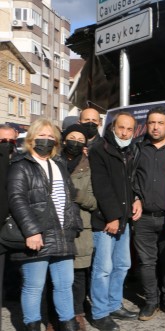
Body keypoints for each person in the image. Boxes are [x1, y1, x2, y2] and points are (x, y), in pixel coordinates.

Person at [7, 119, 83, 331]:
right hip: (37, 236)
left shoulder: (58, 164)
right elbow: (17, 199)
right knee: (34, 286)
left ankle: (68, 325)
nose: (46, 140)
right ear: (31, 138)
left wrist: (74, 224)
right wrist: (31, 231)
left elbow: (68, 197)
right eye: (42, 135)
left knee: (64, 285)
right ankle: (32, 327)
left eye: (51, 137)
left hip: (62, 235)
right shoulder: (21, 164)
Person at [131, 107, 165, 321]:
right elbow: (130, 178)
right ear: (147, 124)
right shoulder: (137, 148)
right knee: (146, 262)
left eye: (160, 123)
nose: (155, 127)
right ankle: (151, 301)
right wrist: (135, 197)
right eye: (152, 123)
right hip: (143, 218)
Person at [88, 112, 139, 331]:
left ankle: (114, 303)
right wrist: (112, 216)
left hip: (124, 219)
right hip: (107, 220)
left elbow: (128, 184)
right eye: (121, 128)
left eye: (129, 129)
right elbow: (101, 186)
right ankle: (100, 313)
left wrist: (137, 199)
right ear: (112, 128)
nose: (125, 132)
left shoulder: (129, 150)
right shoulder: (100, 149)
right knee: (103, 268)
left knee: (122, 264)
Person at [61, 124, 97, 331]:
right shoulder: (52, 162)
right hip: (54, 224)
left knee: (78, 274)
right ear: (64, 140)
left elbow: (93, 201)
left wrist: (76, 195)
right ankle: (53, 316)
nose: (75, 142)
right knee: (54, 273)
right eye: (71, 137)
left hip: (80, 226)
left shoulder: (88, 165)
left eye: (80, 139)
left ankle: (77, 313)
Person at [0, 124, 18, 326]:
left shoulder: (20, 160)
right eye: (1, 142)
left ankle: (12, 291)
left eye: (10, 142)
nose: (6, 145)